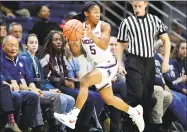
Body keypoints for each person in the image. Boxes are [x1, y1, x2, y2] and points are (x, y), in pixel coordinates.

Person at [54, 2, 145, 132]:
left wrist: (91, 35)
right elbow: (77, 52)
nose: (98, 14)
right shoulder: (80, 29)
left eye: (99, 11)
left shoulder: (104, 26)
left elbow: (103, 45)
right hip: (97, 67)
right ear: (86, 13)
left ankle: (72, 117)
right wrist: (71, 39)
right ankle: (134, 112)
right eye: (95, 11)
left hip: (108, 63)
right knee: (109, 99)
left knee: (84, 81)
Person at [116, 1, 171, 131]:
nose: (137, 9)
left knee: (147, 97)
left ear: (146, 4)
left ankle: (143, 127)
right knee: (136, 95)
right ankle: (127, 126)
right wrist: (120, 64)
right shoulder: (126, 22)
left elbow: (166, 40)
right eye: (134, 6)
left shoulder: (155, 20)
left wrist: (165, 61)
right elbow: (120, 44)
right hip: (133, 60)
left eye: (139, 6)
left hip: (150, 61)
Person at [39, 30, 104, 132]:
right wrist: (64, 81)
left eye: (60, 40)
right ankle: (74, 128)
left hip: (62, 86)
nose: (59, 42)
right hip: (52, 87)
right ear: (50, 42)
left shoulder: (61, 56)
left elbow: (65, 74)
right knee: (86, 97)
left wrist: (72, 80)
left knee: (89, 96)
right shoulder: (45, 56)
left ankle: (82, 126)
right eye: (55, 40)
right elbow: (47, 77)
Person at [22, 33, 75, 132]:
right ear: (26, 45)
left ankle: (61, 128)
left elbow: (41, 80)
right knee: (61, 100)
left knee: (71, 100)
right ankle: (52, 127)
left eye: (36, 43)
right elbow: (29, 80)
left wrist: (49, 89)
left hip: (43, 88)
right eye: (31, 43)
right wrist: (39, 89)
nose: (34, 45)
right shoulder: (24, 58)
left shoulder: (36, 59)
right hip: (31, 90)